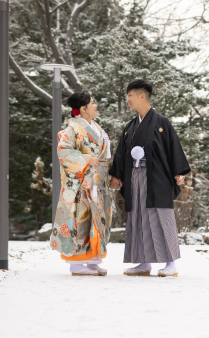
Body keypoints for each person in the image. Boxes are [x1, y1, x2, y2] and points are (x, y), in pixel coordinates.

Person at [109, 79, 190, 277]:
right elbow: (121, 153)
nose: (128, 99)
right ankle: (143, 262)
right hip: (134, 178)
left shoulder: (162, 123)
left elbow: (173, 149)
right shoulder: (130, 126)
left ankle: (170, 263)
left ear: (141, 96)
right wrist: (116, 175)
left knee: (161, 215)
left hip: (157, 178)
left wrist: (177, 172)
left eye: (130, 95)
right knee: (138, 217)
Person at [49, 92, 113, 276]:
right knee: (81, 220)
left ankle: (92, 260)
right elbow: (63, 151)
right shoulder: (73, 128)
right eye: (93, 103)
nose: (96, 106)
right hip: (81, 184)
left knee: (97, 220)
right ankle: (76, 264)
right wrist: (86, 159)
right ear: (83, 108)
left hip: (97, 183)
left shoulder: (96, 127)